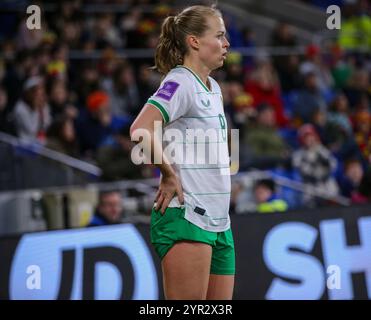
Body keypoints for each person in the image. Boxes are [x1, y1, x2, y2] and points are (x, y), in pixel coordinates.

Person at [130, 5, 234, 300]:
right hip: (188, 218)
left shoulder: (213, 87)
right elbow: (141, 128)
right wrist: (168, 173)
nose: (226, 44)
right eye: (220, 36)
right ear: (194, 41)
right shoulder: (180, 81)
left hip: (219, 221)